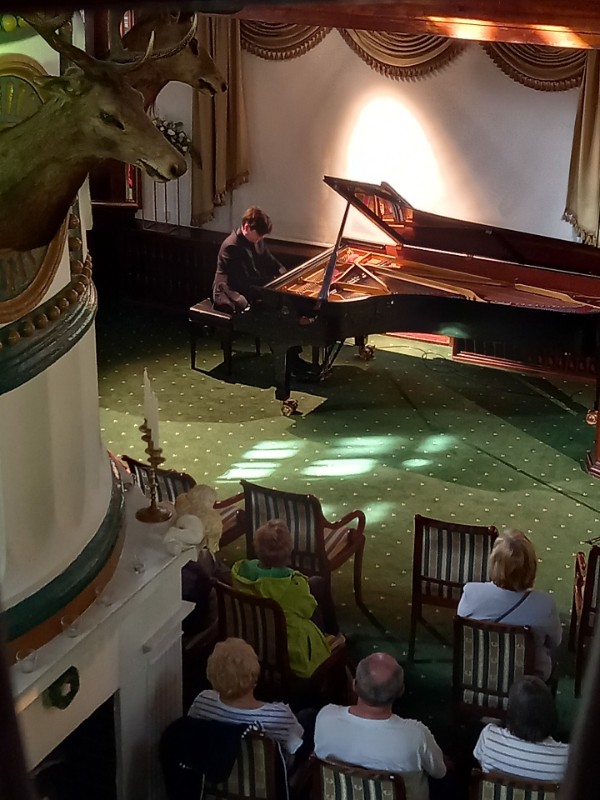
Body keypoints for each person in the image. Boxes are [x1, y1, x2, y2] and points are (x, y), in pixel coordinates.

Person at [314, 653, 447, 800]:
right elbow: (439, 772)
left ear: (354, 684)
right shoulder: (416, 735)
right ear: (401, 691)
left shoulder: (325, 717)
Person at [212, 206, 315, 377]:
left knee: (284, 307)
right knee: (275, 314)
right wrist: (269, 287)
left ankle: (292, 358)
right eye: (259, 235)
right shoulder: (232, 246)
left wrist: (285, 276)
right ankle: (288, 361)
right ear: (247, 227)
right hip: (230, 293)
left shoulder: (256, 240)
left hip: (250, 286)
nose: (260, 239)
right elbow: (242, 282)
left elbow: (271, 261)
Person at [231, 519, 340, 679]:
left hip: (253, 639)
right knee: (316, 589)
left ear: (256, 547)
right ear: (290, 550)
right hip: (291, 652)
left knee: (316, 583)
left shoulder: (241, 572)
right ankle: (334, 636)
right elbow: (308, 610)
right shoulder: (294, 586)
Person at [457, 529, 562, 682]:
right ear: (531, 567)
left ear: (493, 562)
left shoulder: (470, 593)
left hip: (476, 675)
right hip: (526, 683)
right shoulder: (545, 606)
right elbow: (555, 641)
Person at [187, 637, 305, 759]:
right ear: (254, 677)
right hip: (271, 770)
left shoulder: (203, 701)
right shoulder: (279, 715)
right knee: (307, 716)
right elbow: (296, 746)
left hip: (215, 765)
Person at [473, 675, 569, 782]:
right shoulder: (567, 758)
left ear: (511, 711)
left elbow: (480, 763)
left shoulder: (488, 738)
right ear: (551, 713)